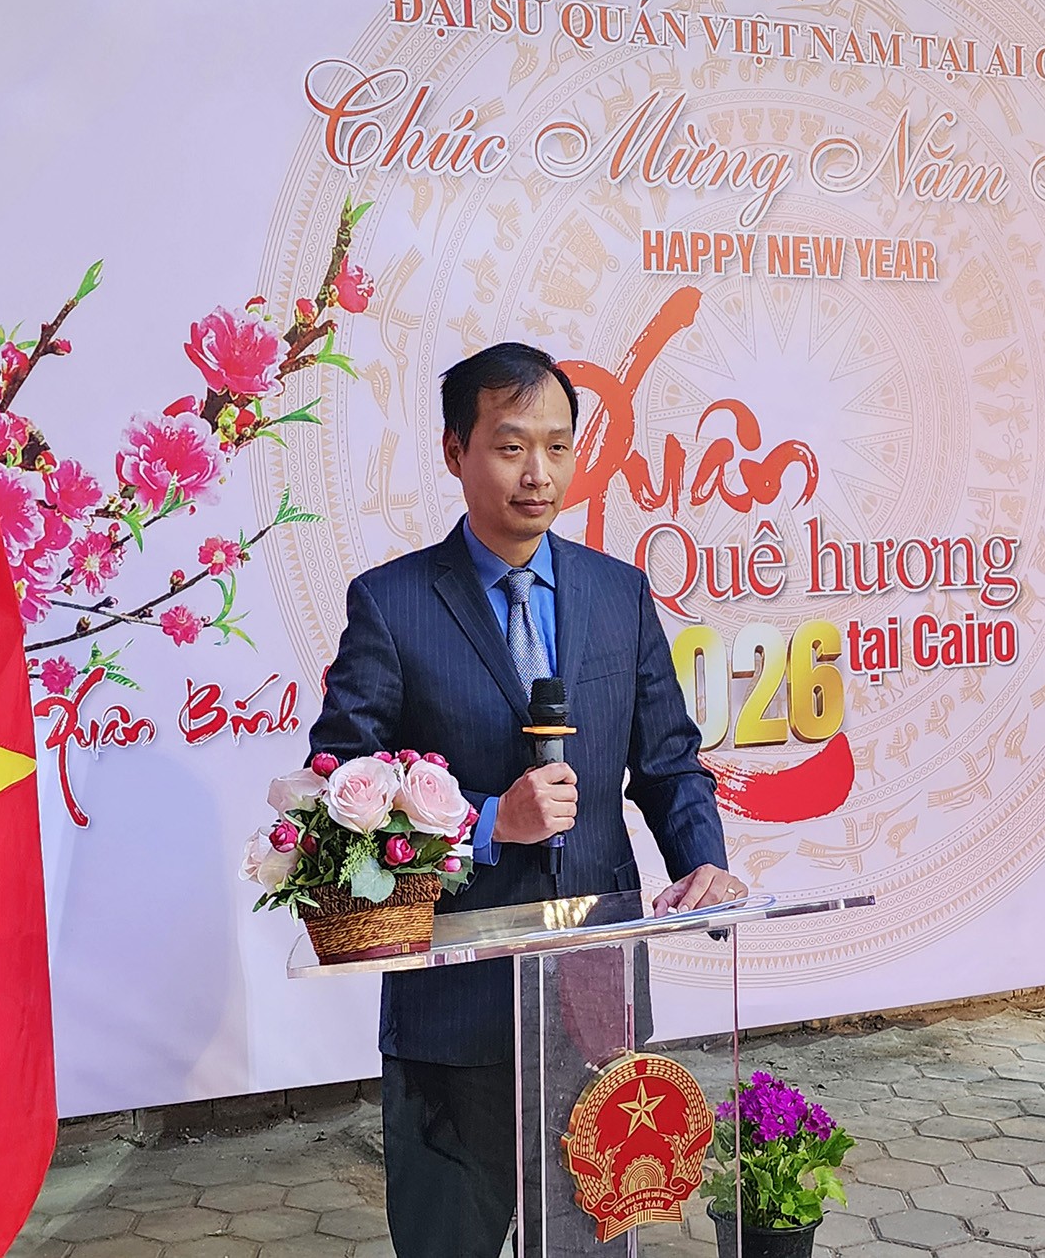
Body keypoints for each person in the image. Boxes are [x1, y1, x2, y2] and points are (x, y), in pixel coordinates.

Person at [307, 341, 746, 1258]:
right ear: (454, 450)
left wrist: (704, 860)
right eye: (510, 447)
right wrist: (484, 821)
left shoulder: (618, 593)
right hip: (453, 1007)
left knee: (594, 1241)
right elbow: (340, 784)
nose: (537, 473)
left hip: (594, 996)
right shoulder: (391, 603)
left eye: (556, 446)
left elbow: (668, 761)